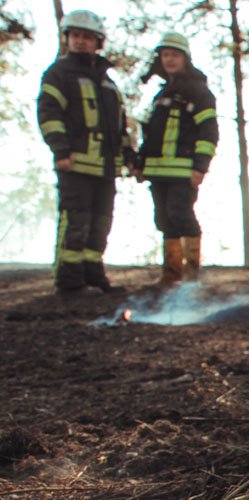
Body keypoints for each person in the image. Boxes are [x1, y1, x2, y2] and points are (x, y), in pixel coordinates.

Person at [36, 9, 133, 295]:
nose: (80, 41)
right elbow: (49, 114)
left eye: (87, 37)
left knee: (101, 222)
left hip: (105, 167)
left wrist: (129, 157)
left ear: (97, 42)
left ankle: (93, 274)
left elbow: (119, 127)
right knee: (75, 220)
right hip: (75, 162)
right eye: (75, 35)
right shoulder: (58, 74)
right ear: (67, 38)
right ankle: (68, 280)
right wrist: (61, 149)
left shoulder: (107, 83)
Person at [137, 32, 218, 284]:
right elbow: (151, 136)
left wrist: (200, 167)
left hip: (183, 170)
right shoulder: (161, 95)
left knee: (181, 214)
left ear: (186, 58)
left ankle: (192, 275)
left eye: (175, 55)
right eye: (165, 55)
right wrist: (140, 163)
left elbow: (209, 132)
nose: (169, 60)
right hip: (158, 171)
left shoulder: (198, 92)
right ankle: (171, 275)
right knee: (164, 218)